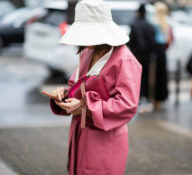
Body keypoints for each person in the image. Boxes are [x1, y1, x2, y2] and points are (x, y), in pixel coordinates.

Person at [49, 0, 142, 174]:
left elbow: (127, 105)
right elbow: (75, 87)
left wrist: (84, 108)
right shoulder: (87, 52)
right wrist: (64, 95)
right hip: (80, 134)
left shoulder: (125, 59)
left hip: (105, 138)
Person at [128, 4, 156, 113]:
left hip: (137, 56)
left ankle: (139, 99)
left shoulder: (134, 25)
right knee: (147, 78)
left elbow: (131, 41)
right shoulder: (150, 26)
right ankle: (147, 100)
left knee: (137, 79)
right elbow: (153, 43)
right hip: (148, 56)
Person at [150, 2, 173, 110]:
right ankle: (161, 98)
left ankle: (154, 99)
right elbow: (169, 39)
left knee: (154, 76)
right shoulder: (167, 22)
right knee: (162, 75)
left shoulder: (153, 21)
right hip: (162, 50)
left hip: (155, 49)